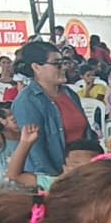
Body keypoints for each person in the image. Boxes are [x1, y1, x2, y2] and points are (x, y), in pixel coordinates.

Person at [12, 41, 96, 178]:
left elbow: (86, 134)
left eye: (63, 63)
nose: (63, 68)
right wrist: (56, 180)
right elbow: (36, 151)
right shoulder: (27, 102)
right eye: (57, 64)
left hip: (79, 171)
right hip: (53, 177)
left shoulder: (69, 94)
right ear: (36, 67)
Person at [6, 128, 103, 192]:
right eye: (75, 165)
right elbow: (14, 176)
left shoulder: (106, 190)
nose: (81, 171)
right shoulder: (53, 184)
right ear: (65, 168)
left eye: (89, 167)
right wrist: (25, 143)